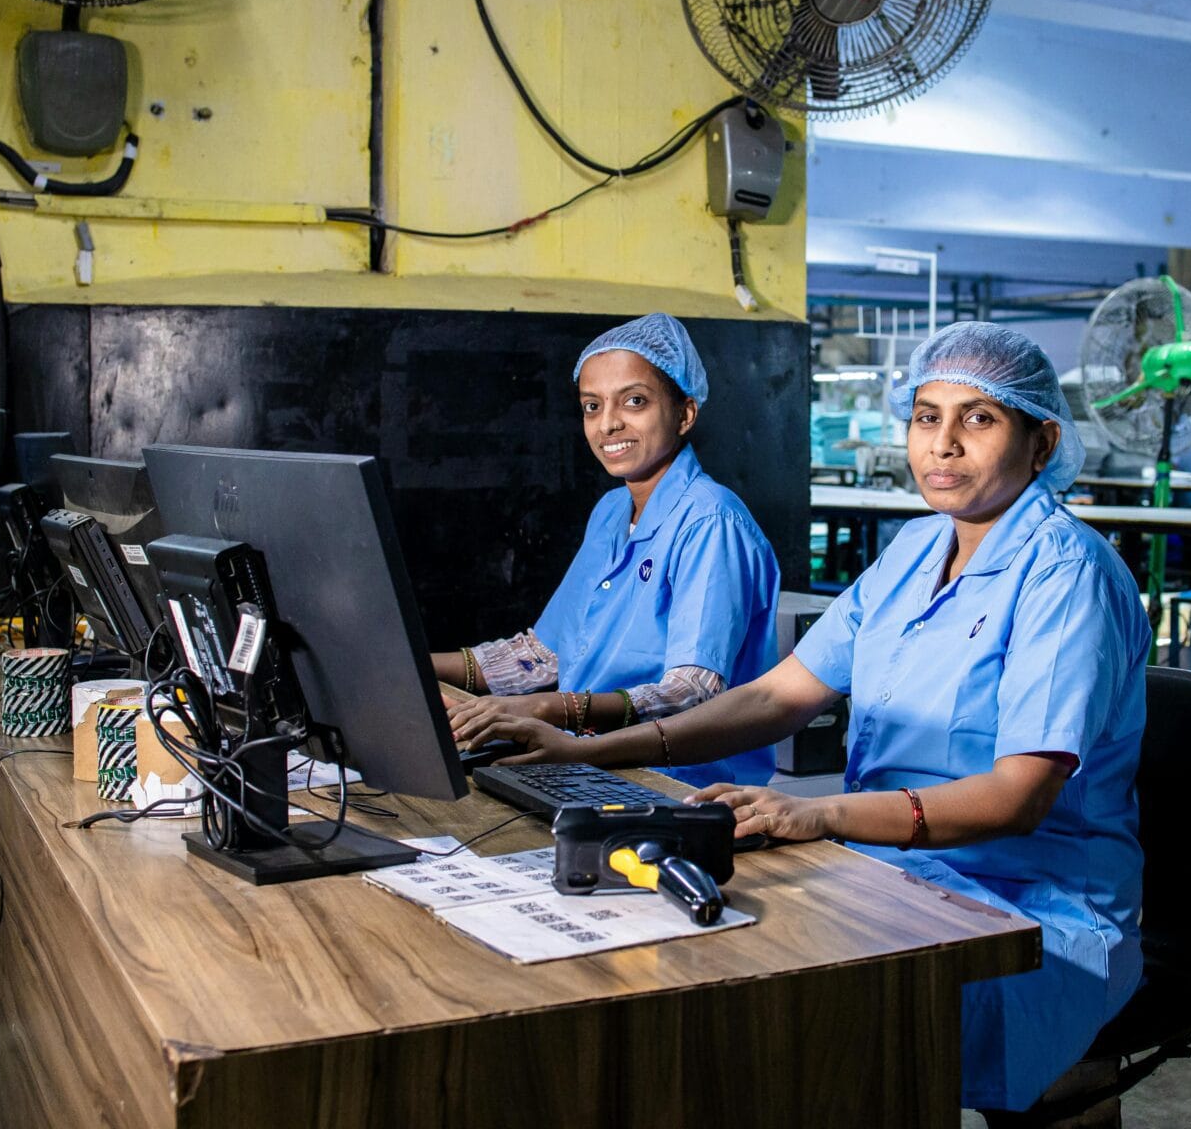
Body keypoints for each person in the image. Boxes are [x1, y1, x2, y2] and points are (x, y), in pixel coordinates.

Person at [457, 321, 1149, 1120]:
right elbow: (775, 697)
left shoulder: (1067, 576)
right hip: (897, 873)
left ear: (1043, 440)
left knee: (783, 1025)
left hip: (1029, 911)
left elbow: (1015, 799)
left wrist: (815, 812)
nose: (944, 445)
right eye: (927, 417)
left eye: (979, 419)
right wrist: (592, 750)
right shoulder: (913, 553)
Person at [434, 313, 781, 788]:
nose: (609, 424)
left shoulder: (710, 521)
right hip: (587, 763)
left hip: (680, 785)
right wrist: (407, 663)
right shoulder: (611, 511)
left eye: (634, 401)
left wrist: (549, 708)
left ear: (685, 413)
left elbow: (692, 692)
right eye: (591, 406)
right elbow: (543, 657)